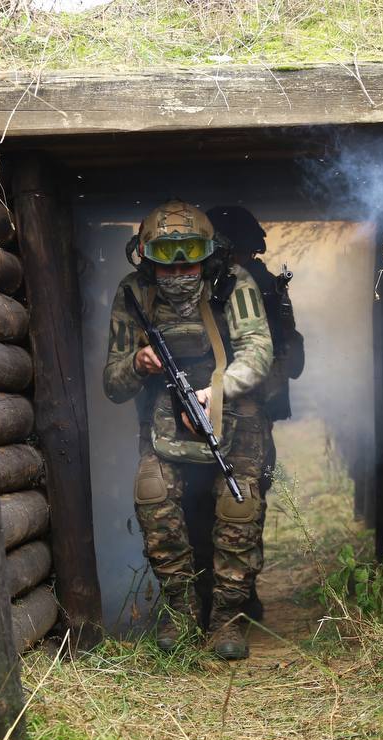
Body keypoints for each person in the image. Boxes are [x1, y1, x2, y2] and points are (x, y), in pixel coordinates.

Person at [103, 200, 273, 659]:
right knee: (153, 498)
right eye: (167, 258)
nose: (179, 270)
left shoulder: (233, 283)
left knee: (239, 510)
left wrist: (217, 390)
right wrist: (138, 363)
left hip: (234, 413)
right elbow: (112, 384)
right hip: (164, 415)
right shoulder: (134, 293)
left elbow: (258, 352)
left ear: (209, 253)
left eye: (190, 256)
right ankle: (180, 612)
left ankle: (227, 620)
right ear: (145, 256)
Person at [201, 206, 305, 622]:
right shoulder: (196, 282)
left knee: (244, 503)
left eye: (246, 253)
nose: (244, 261)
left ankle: (239, 592)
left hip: (249, 410)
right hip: (202, 406)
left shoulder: (261, 285)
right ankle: (213, 595)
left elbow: (291, 359)